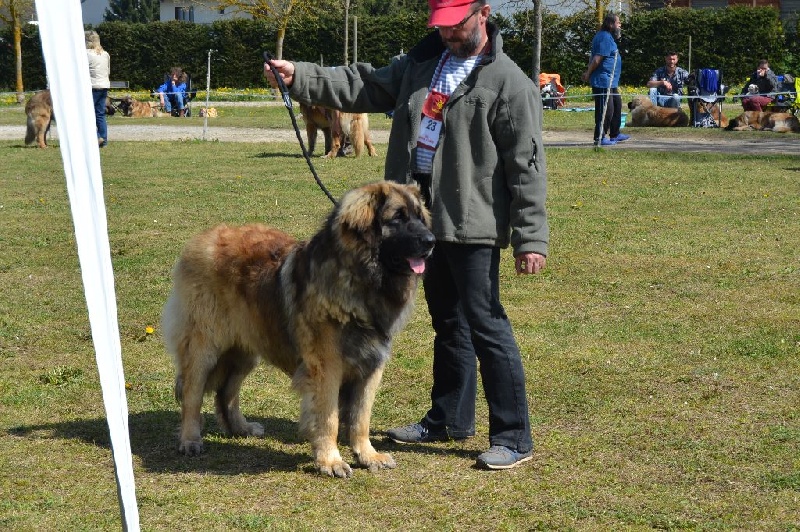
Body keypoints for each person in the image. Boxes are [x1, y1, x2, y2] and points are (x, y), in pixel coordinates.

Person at [264, 0, 548, 471]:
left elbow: (527, 166)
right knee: (448, 323)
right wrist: (301, 77)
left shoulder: (509, 83)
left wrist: (531, 237)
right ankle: (449, 418)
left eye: (456, 26)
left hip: (471, 224)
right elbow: (364, 83)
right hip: (415, 226)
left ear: (483, 13)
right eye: (441, 27)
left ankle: (514, 435)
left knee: (486, 323)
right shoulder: (422, 65)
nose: (448, 35)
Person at [582, 12, 629, 146]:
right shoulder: (604, 37)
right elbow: (597, 59)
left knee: (617, 106)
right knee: (605, 110)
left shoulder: (609, 37)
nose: (620, 25)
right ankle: (600, 137)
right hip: (603, 81)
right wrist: (588, 73)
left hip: (611, 81)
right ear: (610, 24)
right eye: (618, 23)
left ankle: (615, 134)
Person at [85, 31, 110, 147]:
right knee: (100, 114)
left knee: (88, 113)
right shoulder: (105, 54)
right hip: (104, 85)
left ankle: (96, 137)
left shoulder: (86, 54)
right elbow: (108, 71)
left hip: (92, 86)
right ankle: (103, 139)